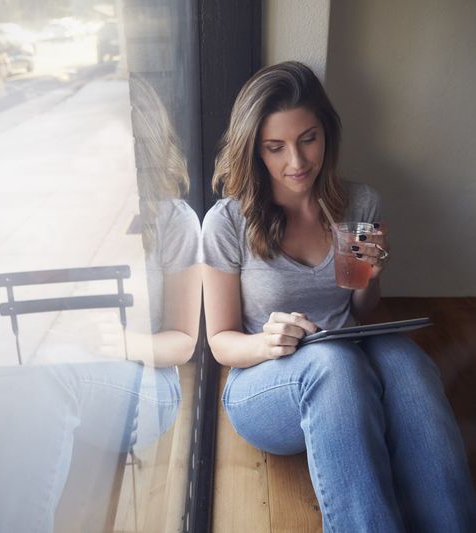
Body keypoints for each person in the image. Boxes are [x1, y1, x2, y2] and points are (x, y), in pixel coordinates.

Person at [201, 61, 476, 531]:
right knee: (334, 364)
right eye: (275, 147)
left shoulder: (360, 204)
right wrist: (268, 342)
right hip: (265, 382)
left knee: (408, 361)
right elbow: (221, 341)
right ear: (254, 151)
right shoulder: (227, 223)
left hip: (348, 353)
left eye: (308, 138)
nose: (297, 162)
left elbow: (362, 311)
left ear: (327, 132)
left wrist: (369, 278)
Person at [0, 75, 201, 533]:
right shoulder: (59, 213)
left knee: (49, 374)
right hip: (50, 381)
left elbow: (182, 343)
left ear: (140, 146)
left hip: (146, 387)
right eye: (85, 148)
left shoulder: (173, 221)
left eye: (106, 150)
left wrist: (124, 340)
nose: (90, 161)